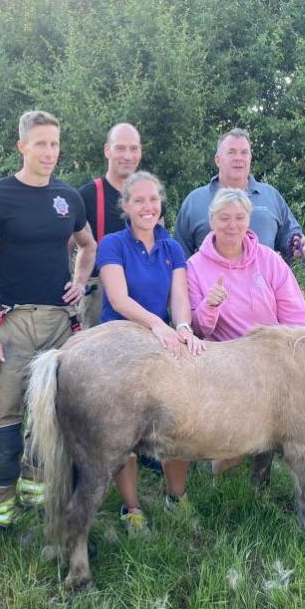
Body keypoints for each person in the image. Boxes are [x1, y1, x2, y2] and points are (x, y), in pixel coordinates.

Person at [0, 110, 96, 540]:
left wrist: (80, 282)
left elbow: (88, 245)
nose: (49, 152)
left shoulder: (68, 198)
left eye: (55, 144)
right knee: (3, 418)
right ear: (22, 146)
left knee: (51, 419)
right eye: (40, 143)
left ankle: (36, 492)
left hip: (61, 325)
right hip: (15, 322)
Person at [96, 171, 205, 531]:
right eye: (139, 200)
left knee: (179, 420)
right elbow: (118, 298)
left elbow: (179, 299)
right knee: (124, 430)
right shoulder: (112, 244)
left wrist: (183, 327)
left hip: (161, 341)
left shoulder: (172, 247)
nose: (147, 207)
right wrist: (157, 325)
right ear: (125, 206)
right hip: (121, 340)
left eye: (153, 199)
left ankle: (176, 495)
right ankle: (132, 508)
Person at [187, 187, 305, 472]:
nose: (232, 225)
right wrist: (209, 305)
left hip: (274, 360)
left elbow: (298, 318)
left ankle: (269, 453)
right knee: (228, 457)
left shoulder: (269, 260)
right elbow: (197, 329)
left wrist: (293, 361)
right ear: (211, 219)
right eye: (224, 218)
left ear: (248, 219)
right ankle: (215, 463)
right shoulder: (194, 267)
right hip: (227, 367)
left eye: (239, 218)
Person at [175, 128, 305, 259]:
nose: (238, 158)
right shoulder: (195, 201)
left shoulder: (271, 196)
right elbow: (179, 256)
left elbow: (289, 234)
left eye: (244, 152)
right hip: (213, 281)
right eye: (231, 152)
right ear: (218, 160)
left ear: (250, 158)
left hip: (265, 280)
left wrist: (295, 244)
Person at [76, 123, 143, 328]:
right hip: (100, 301)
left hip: (141, 295)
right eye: (120, 148)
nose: (128, 155)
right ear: (108, 150)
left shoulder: (150, 196)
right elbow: (64, 249)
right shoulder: (87, 196)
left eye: (134, 148)